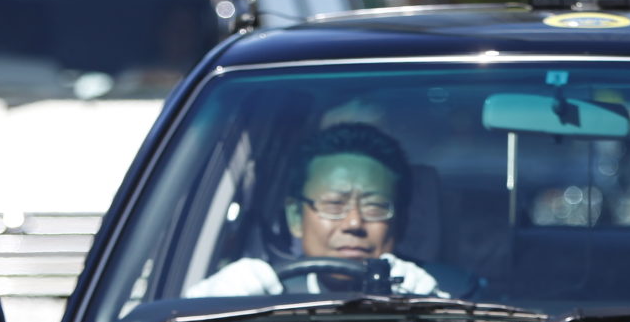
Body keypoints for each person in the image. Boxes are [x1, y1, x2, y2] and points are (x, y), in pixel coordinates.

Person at [189, 122, 447, 298]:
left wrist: (432, 312)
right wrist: (210, 307)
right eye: (334, 204)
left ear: (399, 221)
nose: (354, 223)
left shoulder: (444, 292)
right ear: (295, 217)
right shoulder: (260, 293)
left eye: (375, 206)